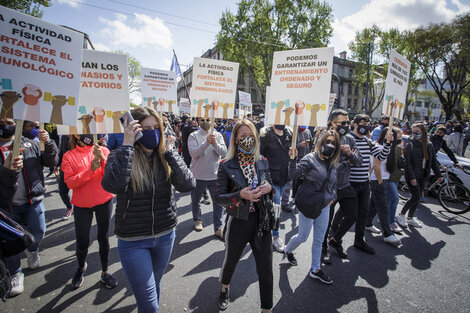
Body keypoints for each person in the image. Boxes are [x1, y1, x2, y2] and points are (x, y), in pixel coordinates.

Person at [102, 107, 195, 312]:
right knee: (150, 304)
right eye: (145, 128)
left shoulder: (166, 155)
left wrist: (171, 155)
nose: (152, 132)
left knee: (155, 284)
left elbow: (188, 185)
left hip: (165, 234)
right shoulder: (120, 154)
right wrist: (127, 145)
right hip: (133, 240)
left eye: (156, 127)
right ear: (133, 129)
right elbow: (113, 186)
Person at [215, 119, 274, 312]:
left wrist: (269, 188)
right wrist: (240, 195)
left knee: (266, 268)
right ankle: (224, 289)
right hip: (239, 221)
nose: (247, 140)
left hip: (262, 220)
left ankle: (267, 307)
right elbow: (219, 197)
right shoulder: (226, 165)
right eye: (243, 137)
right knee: (231, 259)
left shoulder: (263, 161)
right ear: (235, 140)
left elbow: (271, 186)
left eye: (251, 136)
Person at [0, 118, 58, 297]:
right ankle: (16, 272)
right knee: (11, 241)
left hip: (33, 200)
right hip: (6, 206)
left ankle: (32, 250)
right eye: (2, 122)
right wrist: (7, 169)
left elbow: (50, 161)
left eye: (9, 121)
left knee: (39, 231)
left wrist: (47, 143)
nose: (5, 125)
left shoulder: (31, 144)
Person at [61, 134, 117, 289]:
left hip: (104, 200)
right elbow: (70, 182)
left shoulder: (103, 150)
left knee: (103, 237)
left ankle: (105, 272)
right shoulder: (69, 156)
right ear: (76, 134)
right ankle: (80, 267)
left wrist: (104, 160)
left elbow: (111, 175)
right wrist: (90, 170)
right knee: (82, 241)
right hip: (81, 204)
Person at [284, 130, 340, 284]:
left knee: (319, 239)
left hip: (325, 206)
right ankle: (288, 249)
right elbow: (294, 175)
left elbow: (335, 184)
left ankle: (315, 269)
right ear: (320, 142)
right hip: (309, 204)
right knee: (302, 237)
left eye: (333, 143)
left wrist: (332, 199)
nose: (330, 145)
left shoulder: (335, 162)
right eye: (327, 141)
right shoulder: (310, 158)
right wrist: (292, 159)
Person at [337, 114, 391, 255]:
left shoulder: (368, 141)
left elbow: (380, 156)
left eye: (367, 123)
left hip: (364, 183)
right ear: (354, 124)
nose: (365, 125)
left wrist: (388, 143)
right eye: (362, 122)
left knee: (363, 213)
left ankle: (359, 240)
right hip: (349, 183)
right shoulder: (348, 140)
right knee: (345, 212)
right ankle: (334, 236)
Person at [326, 110, 363, 259]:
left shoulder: (349, 139)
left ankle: (335, 241)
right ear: (333, 124)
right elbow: (327, 166)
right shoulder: (326, 138)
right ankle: (323, 249)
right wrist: (345, 163)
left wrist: (350, 154)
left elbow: (359, 162)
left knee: (353, 215)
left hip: (345, 185)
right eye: (343, 123)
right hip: (330, 187)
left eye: (348, 122)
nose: (346, 125)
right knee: (326, 222)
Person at [397, 123, 443, 228]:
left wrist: (438, 175)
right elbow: (408, 163)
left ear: (423, 132)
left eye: (417, 131)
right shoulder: (410, 144)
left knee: (417, 198)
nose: (415, 133)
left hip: (423, 174)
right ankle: (401, 214)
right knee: (416, 196)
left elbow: (433, 162)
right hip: (412, 174)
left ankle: (410, 218)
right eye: (414, 131)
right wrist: (412, 177)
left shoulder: (429, 145)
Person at [188, 118, 227, 237]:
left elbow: (224, 153)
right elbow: (193, 153)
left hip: (215, 175)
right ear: (199, 121)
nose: (206, 122)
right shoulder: (193, 135)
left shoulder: (218, 135)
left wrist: (214, 143)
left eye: (208, 120)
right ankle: (198, 219)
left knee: (218, 203)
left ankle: (218, 227)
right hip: (198, 175)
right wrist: (206, 143)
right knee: (195, 201)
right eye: (203, 119)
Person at [260, 124, 293, 253]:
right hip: (271, 178)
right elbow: (260, 157)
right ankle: (275, 237)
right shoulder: (265, 135)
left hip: (284, 177)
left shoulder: (290, 133)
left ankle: (264, 228)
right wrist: (263, 178)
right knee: (277, 206)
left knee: (272, 207)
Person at [365, 127, 401, 245]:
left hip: (384, 179)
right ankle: (387, 233)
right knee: (383, 207)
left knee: (374, 204)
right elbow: (376, 165)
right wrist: (380, 181)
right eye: (397, 137)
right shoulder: (378, 147)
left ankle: (368, 223)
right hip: (377, 180)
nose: (399, 139)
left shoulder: (390, 148)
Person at [383, 128, 405, 233]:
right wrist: (397, 149)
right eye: (398, 137)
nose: (400, 140)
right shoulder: (388, 146)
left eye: (401, 138)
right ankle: (391, 221)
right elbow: (389, 160)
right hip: (389, 177)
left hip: (396, 176)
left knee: (389, 199)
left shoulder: (399, 148)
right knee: (395, 198)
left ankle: (384, 217)